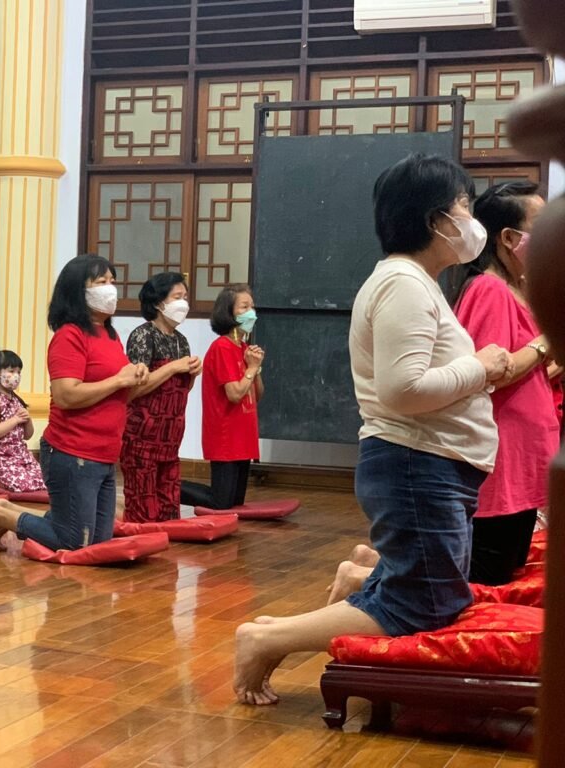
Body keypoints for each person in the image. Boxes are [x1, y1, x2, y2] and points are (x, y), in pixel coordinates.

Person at [232, 154, 512, 705]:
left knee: (424, 592)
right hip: (417, 463)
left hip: (429, 464)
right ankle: (266, 639)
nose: (469, 217)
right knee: (422, 606)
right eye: (462, 204)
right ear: (435, 220)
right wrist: (483, 366)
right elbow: (403, 389)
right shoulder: (404, 284)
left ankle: (350, 592)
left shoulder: (417, 282)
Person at [0, 254, 149, 553]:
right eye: (101, 282)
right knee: (73, 543)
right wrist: (119, 380)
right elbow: (67, 395)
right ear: (78, 291)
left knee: (98, 544)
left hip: (104, 452)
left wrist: (135, 380)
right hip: (73, 451)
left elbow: (118, 396)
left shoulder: (110, 335)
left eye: (112, 282)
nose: (111, 288)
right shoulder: (69, 335)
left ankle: (16, 515)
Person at [450, 181, 559, 585]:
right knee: (484, 575)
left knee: (506, 569)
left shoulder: (515, 289)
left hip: (523, 457)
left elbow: (524, 373)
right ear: (510, 238)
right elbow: (493, 370)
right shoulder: (491, 289)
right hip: (503, 460)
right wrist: (545, 343)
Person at [121, 273, 201, 522]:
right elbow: (133, 389)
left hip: (170, 436)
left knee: (169, 510)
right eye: (177, 297)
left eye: (185, 297)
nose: (184, 303)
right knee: (143, 509)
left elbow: (180, 390)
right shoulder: (143, 335)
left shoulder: (181, 341)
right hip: (142, 435)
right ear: (158, 303)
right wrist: (172, 367)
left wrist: (194, 373)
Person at [180, 284, 263, 511]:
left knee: (235, 503)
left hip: (244, 434)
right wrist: (251, 369)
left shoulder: (244, 347)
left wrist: (255, 369)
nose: (251, 312)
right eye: (244, 307)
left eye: (252, 307)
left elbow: (257, 395)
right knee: (221, 502)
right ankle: (169, 487)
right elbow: (235, 394)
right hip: (226, 435)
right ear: (229, 312)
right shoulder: (222, 347)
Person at [0, 350, 45, 494]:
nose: (16, 376)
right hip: (0, 457)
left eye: (19, 372)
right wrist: (15, 420)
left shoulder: (17, 400)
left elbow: (27, 435)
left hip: (21, 456)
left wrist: (27, 420)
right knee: (22, 486)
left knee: (42, 482)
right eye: (11, 371)